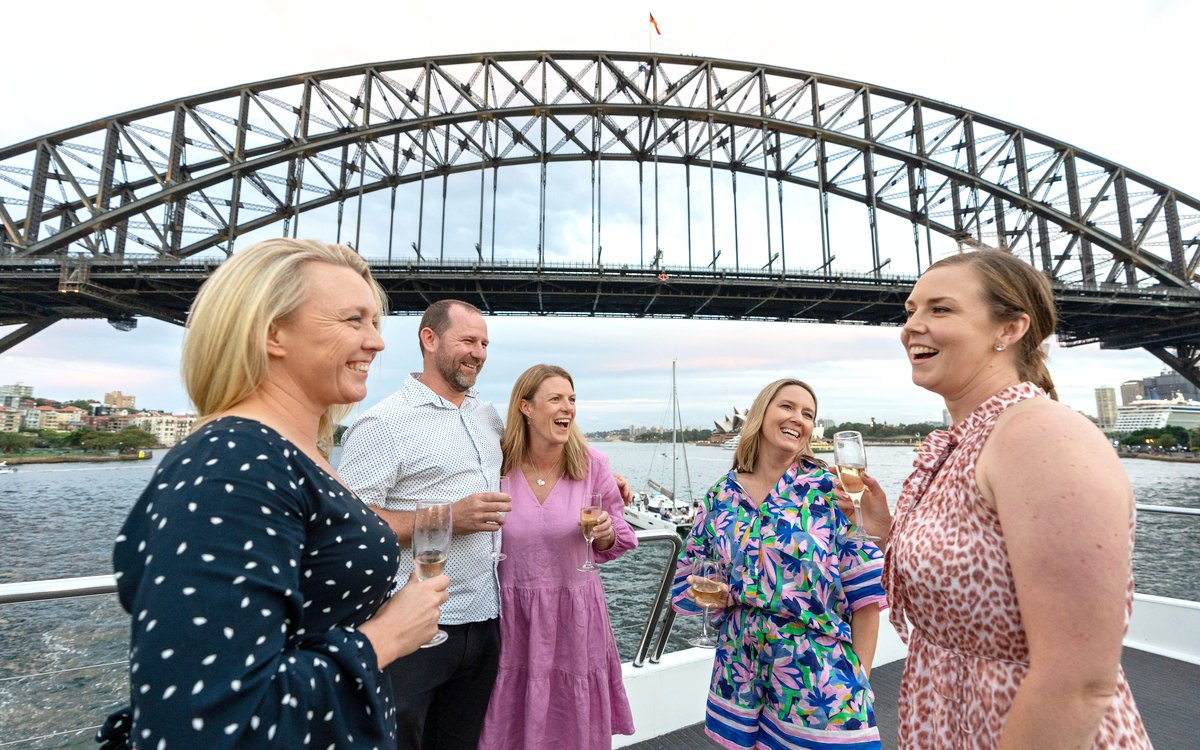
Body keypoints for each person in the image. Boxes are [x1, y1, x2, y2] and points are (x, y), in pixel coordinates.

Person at [96, 238, 449, 749]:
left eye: (375, 323)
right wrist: (387, 637)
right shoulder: (235, 462)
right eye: (353, 320)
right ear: (272, 333)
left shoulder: (296, 454)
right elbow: (211, 726)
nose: (376, 342)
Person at [860, 248, 1151, 748]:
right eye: (910, 311)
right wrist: (889, 532)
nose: (912, 326)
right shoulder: (971, 437)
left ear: (1009, 329)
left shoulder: (1040, 436)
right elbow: (980, 573)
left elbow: (1078, 683)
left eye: (941, 309)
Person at [671, 378, 886, 750]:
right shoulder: (722, 494)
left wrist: (860, 676)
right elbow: (691, 575)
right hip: (740, 671)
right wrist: (715, 595)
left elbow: (866, 597)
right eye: (787, 406)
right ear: (761, 414)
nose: (798, 419)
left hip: (819, 679)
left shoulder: (829, 490)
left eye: (808, 414)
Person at [337, 299, 511, 750]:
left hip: (485, 618)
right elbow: (351, 526)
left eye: (485, 343)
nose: (479, 353)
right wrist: (448, 518)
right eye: (468, 341)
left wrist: (604, 476)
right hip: (415, 626)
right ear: (429, 340)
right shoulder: (382, 423)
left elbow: (538, 460)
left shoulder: (486, 415)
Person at [478, 364, 637, 750]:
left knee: (570, 720)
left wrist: (604, 533)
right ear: (526, 408)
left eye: (572, 399)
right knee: (509, 720)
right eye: (555, 398)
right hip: (512, 616)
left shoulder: (592, 464)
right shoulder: (496, 463)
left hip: (575, 616)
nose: (567, 407)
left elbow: (621, 533)